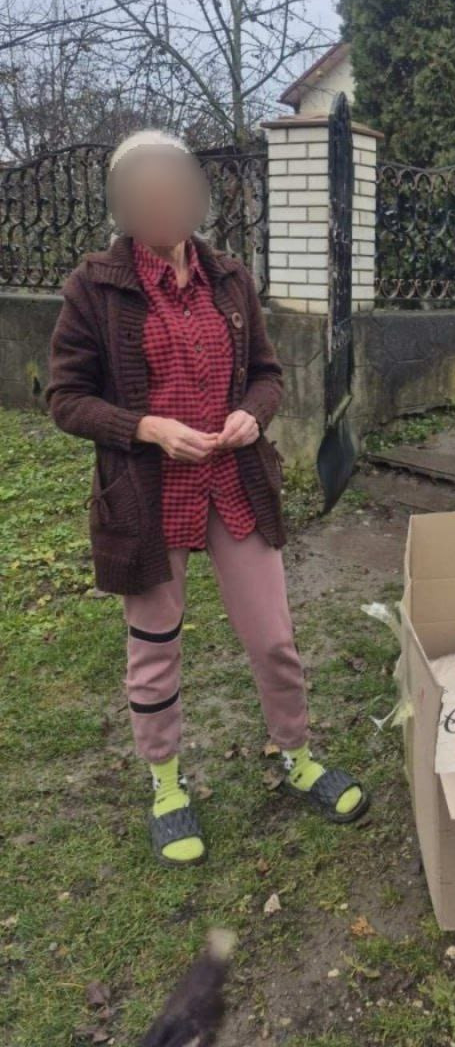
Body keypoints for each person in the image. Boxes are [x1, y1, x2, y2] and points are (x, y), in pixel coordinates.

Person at [46, 131, 369, 867]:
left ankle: (298, 756)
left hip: (232, 483)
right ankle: (165, 784)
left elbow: (267, 371)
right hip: (147, 496)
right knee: (155, 648)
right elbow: (66, 399)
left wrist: (255, 412)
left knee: (273, 638)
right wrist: (146, 427)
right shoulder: (93, 288)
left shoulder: (230, 279)